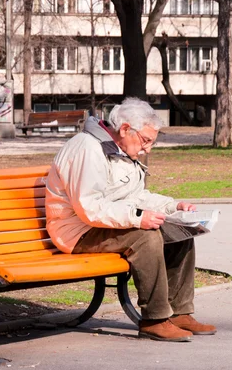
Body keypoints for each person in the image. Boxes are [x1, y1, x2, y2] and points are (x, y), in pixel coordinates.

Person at [45, 98, 216, 342]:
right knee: (145, 237)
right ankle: (154, 319)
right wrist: (137, 218)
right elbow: (88, 208)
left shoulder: (119, 149)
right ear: (125, 129)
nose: (148, 149)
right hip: (78, 232)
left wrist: (173, 207)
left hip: (102, 224)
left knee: (180, 230)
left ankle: (179, 312)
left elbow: (137, 196)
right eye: (146, 141)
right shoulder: (87, 149)